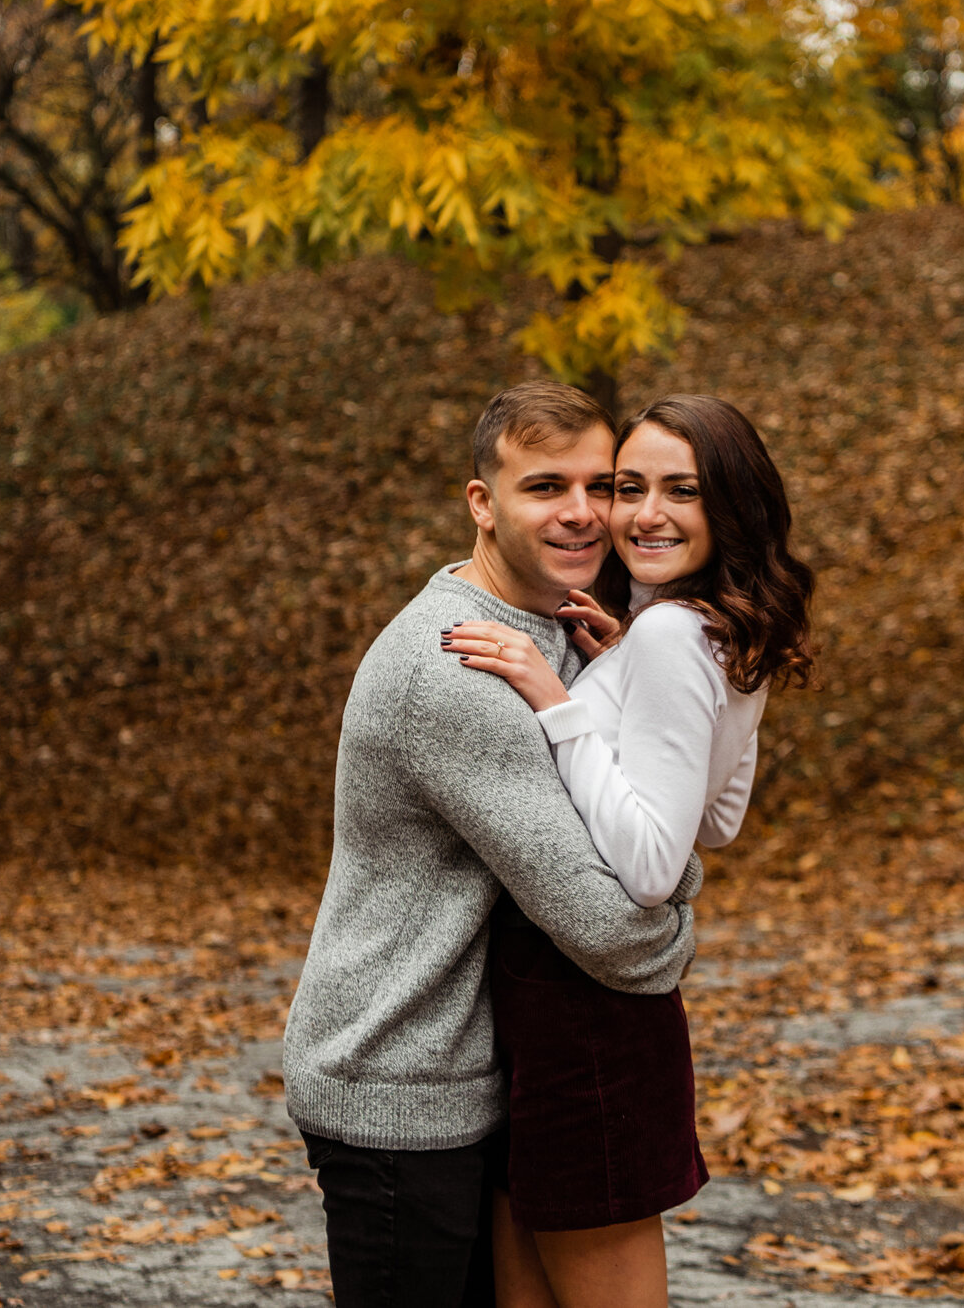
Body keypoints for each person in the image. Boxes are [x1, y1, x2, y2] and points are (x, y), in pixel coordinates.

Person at [280, 381, 699, 1308]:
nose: (584, 513)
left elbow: (640, 834)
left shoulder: (558, 631)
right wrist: (676, 922)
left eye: (604, 484)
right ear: (483, 503)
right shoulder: (458, 664)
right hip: (399, 1079)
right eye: (546, 486)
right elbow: (614, 923)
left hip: (482, 1075)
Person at [442, 394, 815, 1308]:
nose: (644, 513)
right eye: (629, 486)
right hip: (582, 1015)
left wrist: (561, 702)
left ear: (729, 502)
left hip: (586, 1018)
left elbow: (651, 869)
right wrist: (620, 683)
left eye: (680, 490)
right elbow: (717, 817)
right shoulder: (711, 629)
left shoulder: (671, 635)